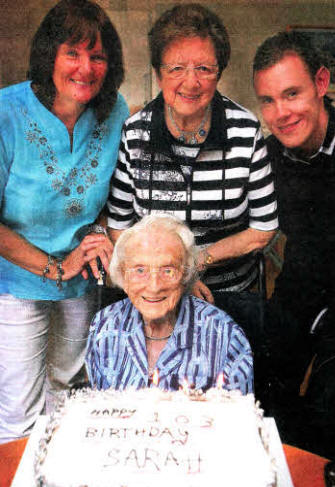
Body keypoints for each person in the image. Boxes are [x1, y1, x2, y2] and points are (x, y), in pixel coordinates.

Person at [105, 3, 278, 342]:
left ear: (219, 73)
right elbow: (119, 226)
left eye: (204, 68)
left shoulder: (244, 130)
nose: (191, 82)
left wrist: (193, 263)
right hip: (153, 294)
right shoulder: (135, 133)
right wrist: (168, 278)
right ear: (158, 74)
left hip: (228, 293)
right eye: (176, 68)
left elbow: (263, 229)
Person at [0, 0, 128, 443]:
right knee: (18, 410)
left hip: (81, 282)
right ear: (49, 54)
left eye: (97, 56)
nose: (85, 68)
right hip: (15, 280)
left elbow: (116, 195)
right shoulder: (6, 112)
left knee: (69, 397)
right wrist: (55, 267)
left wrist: (98, 234)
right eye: (72, 52)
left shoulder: (116, 112)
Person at [253, 31, 335, 456]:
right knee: (264, 405)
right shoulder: (265, 159)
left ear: (321, 83)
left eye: (291, 93)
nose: (281, 112)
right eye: (268, 100)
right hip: (298, 295)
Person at [86, 214, 253, 394]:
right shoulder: (104, 325)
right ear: (123, 276)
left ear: (185, 275)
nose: (154, 286)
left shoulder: (225, 336)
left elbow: (239, 417)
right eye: (140, 270)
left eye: (168, 270)